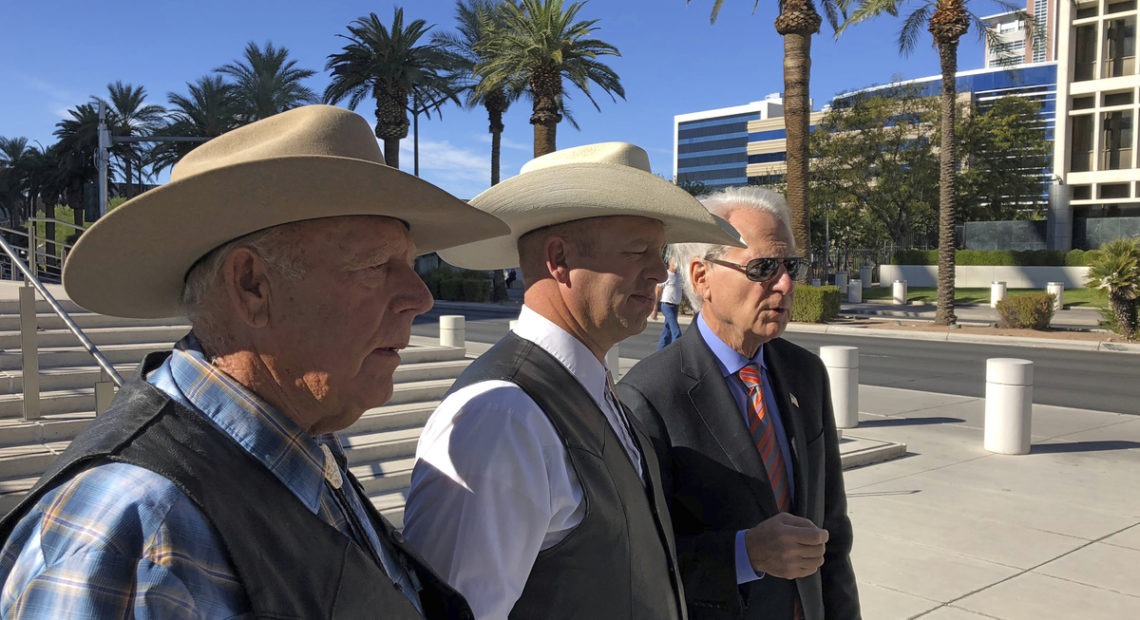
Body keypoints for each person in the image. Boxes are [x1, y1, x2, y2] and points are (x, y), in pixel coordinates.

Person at [0, 105, 509, 619]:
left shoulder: (299, 443)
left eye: (411, 264)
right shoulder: (136, 533)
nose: (420, 297)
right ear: (251, 286)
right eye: (376, 265)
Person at [402, 142, 742, 619]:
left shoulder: (587, 388)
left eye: (659, 251)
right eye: (638, 250)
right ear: (558, 259)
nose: (658, 271)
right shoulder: (500, 418)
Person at [616, 186, 861, 620]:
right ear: (701, 277)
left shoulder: (806, 374)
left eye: (791, 266)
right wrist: (744, 554)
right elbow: (637, 561)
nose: (784, 284)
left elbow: (833, 533)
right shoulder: (647, 396)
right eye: (763, 267)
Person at [652, 253, 683, 349]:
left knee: (667, 333)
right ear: (670, 263)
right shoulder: (666, 275)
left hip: (675, 306)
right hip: (667, 305)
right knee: (676, 332)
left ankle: (660, 352)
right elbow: (658, 291)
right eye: (674, 262)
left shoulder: (679, 276)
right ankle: (676, 354)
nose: (676, 264)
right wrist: (655, 308)